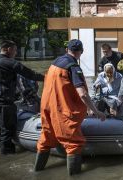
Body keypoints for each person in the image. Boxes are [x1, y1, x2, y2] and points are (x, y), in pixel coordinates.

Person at [34, 39, 106, 175]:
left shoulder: (54, 64)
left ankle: (37, 172)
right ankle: (74, 176)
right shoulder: (73, 67)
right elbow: (83, 93)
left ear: (67, 49)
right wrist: (95, 111)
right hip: (63, 111)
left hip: (47, 109)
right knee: (73, 144)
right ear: (81, 52)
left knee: (45, 139)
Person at [0, 40, 44, 154]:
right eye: (15, 50)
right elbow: (31, 74)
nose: (16, 53)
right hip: (3, 102)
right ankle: (7, 156)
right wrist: (47, 77)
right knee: (7, 130)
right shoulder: (11, 63)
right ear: (8, 49)